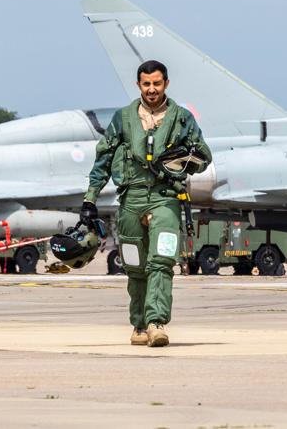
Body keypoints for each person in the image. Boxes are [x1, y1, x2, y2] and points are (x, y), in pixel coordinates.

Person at [82, 60, 211, 347]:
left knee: (162, 261)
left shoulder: (182, 119)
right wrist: (90, 198)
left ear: (166, 84)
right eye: (146, 84)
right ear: (138, 85)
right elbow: (103, 159)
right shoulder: (123, 119)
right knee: (134, 265)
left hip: (166, 198)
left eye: (157, 83)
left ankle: (156, 322)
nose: (152, 89)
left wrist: (182, 160)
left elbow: (203, 157)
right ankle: (139, 324)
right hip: (131, 199)